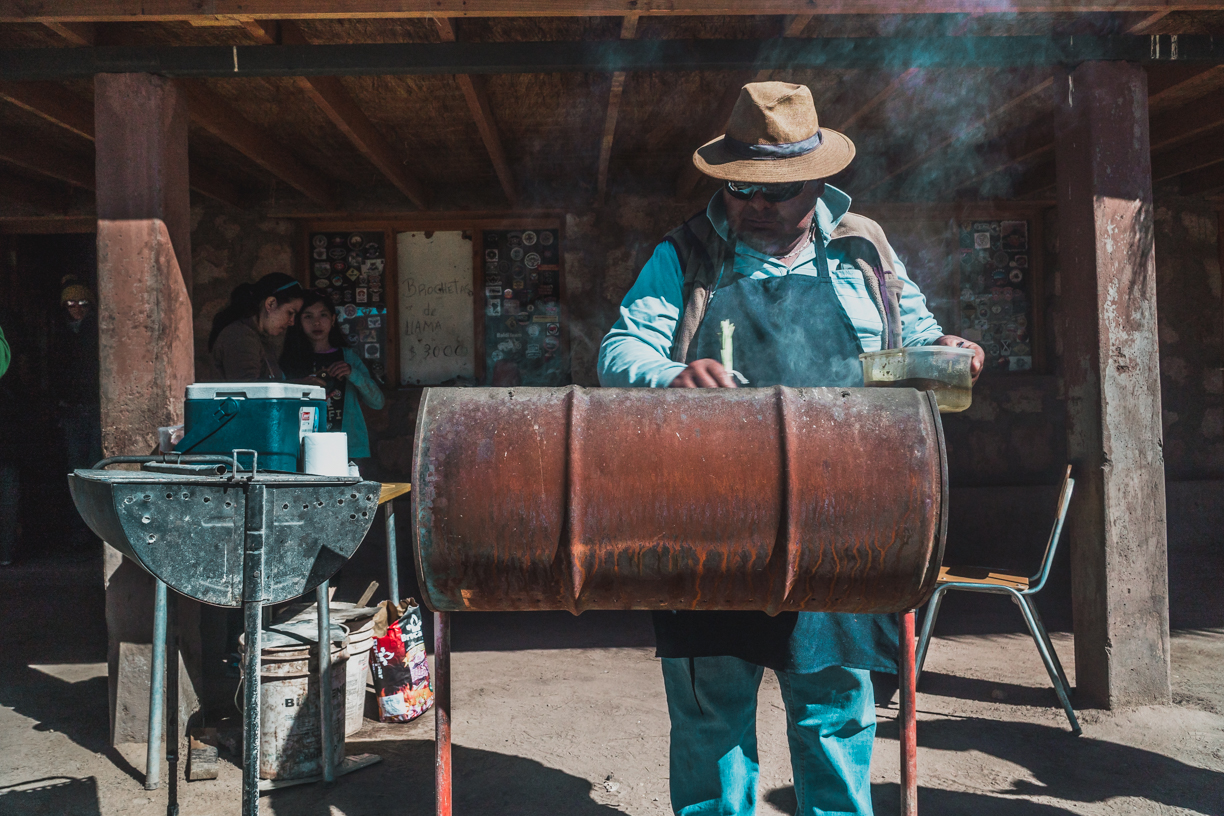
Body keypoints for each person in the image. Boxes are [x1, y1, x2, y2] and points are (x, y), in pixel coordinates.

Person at [598, 82, 984, 816]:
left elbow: (916, 338)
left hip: (837, 525)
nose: (758, 205)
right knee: (713, 721)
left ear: (817, 183)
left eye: (779, 190)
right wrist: (672, 372)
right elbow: (621, 348)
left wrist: (946, 350)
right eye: (742, 188)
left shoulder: (864, 250)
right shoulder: (686, 254)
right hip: (709, 528)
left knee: (835, 715)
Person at [280, 289, 385, 464]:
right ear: (298, 322)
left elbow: (378, 402)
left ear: (333, 319)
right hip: (302, 447)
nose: (317, 322)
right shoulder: (290, 361)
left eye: (323, 315)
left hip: (347, 447)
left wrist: (353, 374)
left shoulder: (348, 358)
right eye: (308, 316)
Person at [52, 276, 102, 548]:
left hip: (94, 408)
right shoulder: (57, 333)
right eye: (71, 303)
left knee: (95, 468)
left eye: (83, 303)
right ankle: (78, 533)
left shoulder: (97, 331)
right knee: (75, 470)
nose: (77, 308)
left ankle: (95, 533)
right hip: (70, 410)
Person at [208, 273, 305, 381]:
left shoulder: (257, 338)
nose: (292, 322)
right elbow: (249, 390)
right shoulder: (240, 337)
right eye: (290, 312)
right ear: (271, 304)